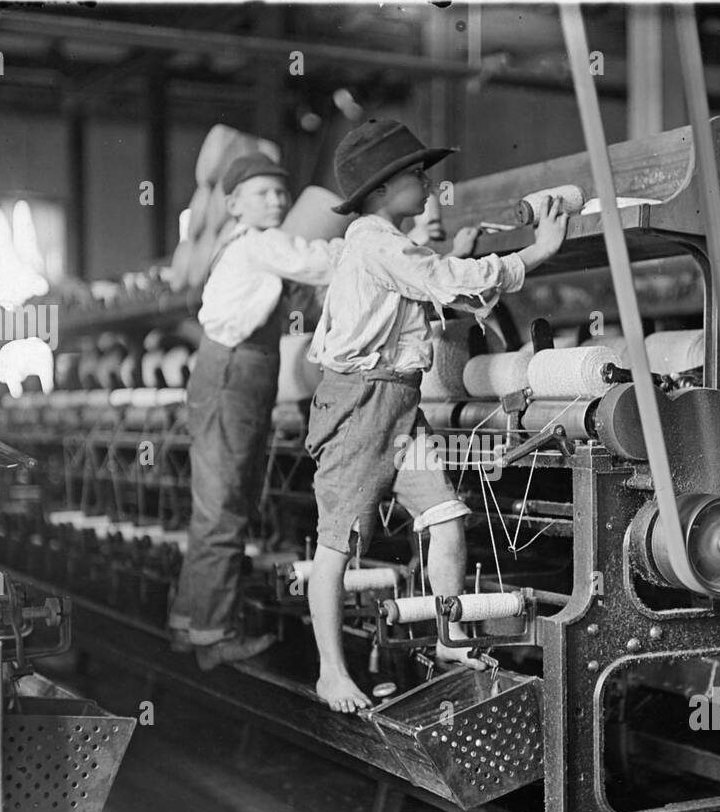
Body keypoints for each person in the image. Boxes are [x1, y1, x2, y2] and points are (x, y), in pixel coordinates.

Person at [305, 119, 567, 713]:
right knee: (337, 546)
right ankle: (330, 672)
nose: (429, 185)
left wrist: (473, 260)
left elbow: (440, 282)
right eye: (416, 175)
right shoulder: (374, 240)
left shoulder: (390, 242)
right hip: (360, 406)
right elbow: (447, 281)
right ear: (379, 191)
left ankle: (449, 637)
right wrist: (537, 252)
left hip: (400, 403)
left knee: (446, 517)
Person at [169, 152, 342, 671]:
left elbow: (298, 291)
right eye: (262, 193)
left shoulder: (248, 247)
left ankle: (191, 622)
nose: (277, 200)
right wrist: (376, 242)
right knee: (224, 508)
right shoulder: (261, 243)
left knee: (218, 506)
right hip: (234, 376)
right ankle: (215, 636)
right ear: (233, 204)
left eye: (280, 192)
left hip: (231, 374)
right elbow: (321, 261)